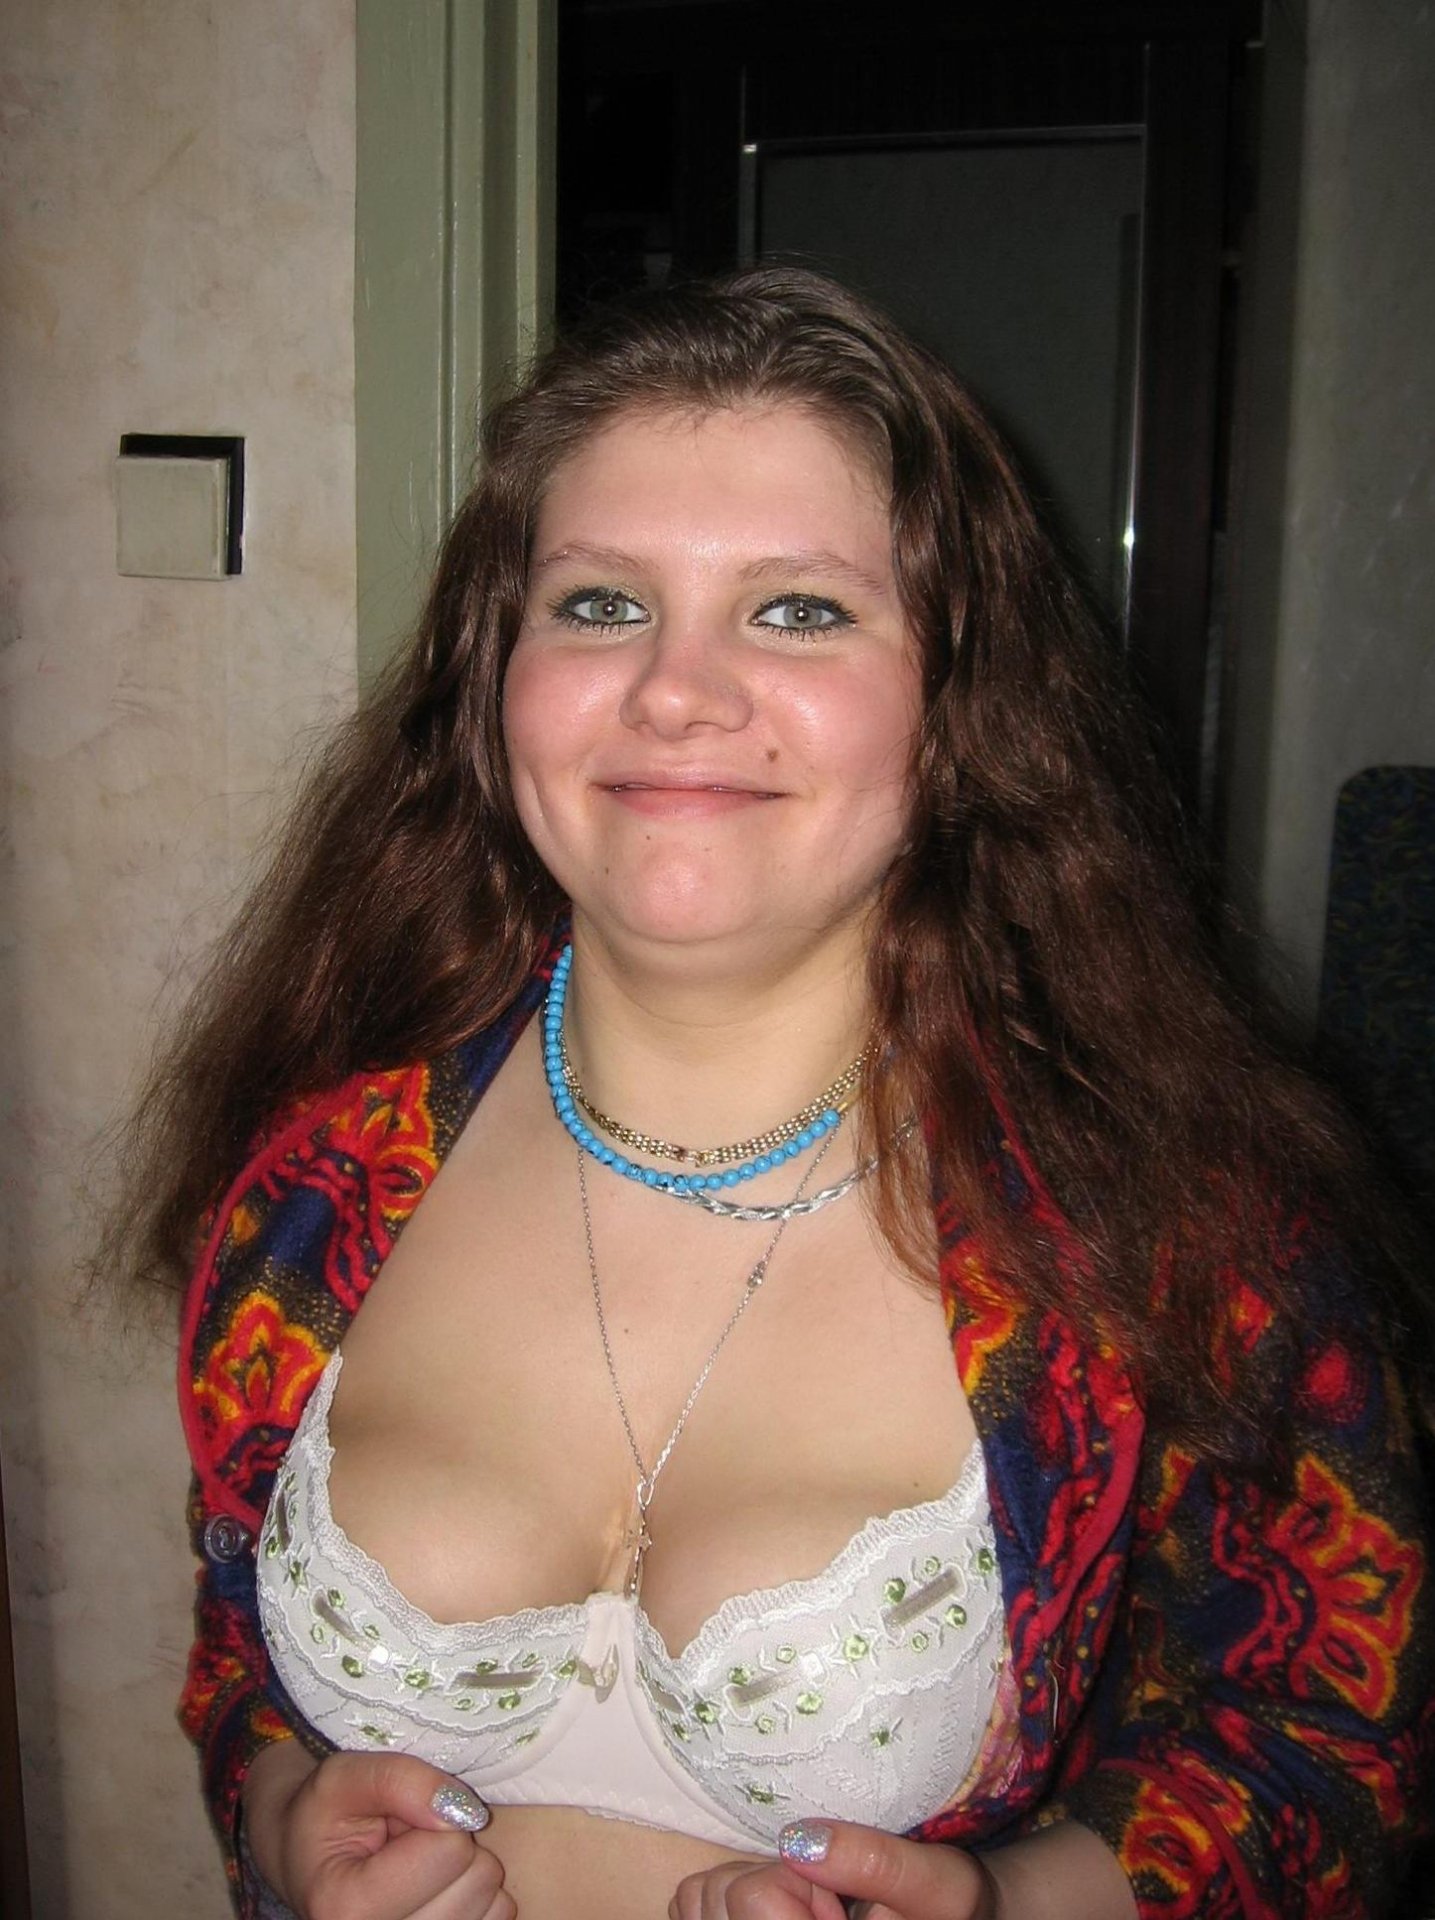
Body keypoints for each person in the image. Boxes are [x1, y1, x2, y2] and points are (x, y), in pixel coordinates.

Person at [119, 268, 1432, 1919]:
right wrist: (283, 1811)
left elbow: (1331, 1748)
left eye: (799, 611)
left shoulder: (1180, 1230)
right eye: (601, 603)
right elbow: (238, 1657)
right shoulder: (317, 1183)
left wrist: (1004, 1906)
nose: (675, 690)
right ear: (490, 678)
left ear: (962, 705)